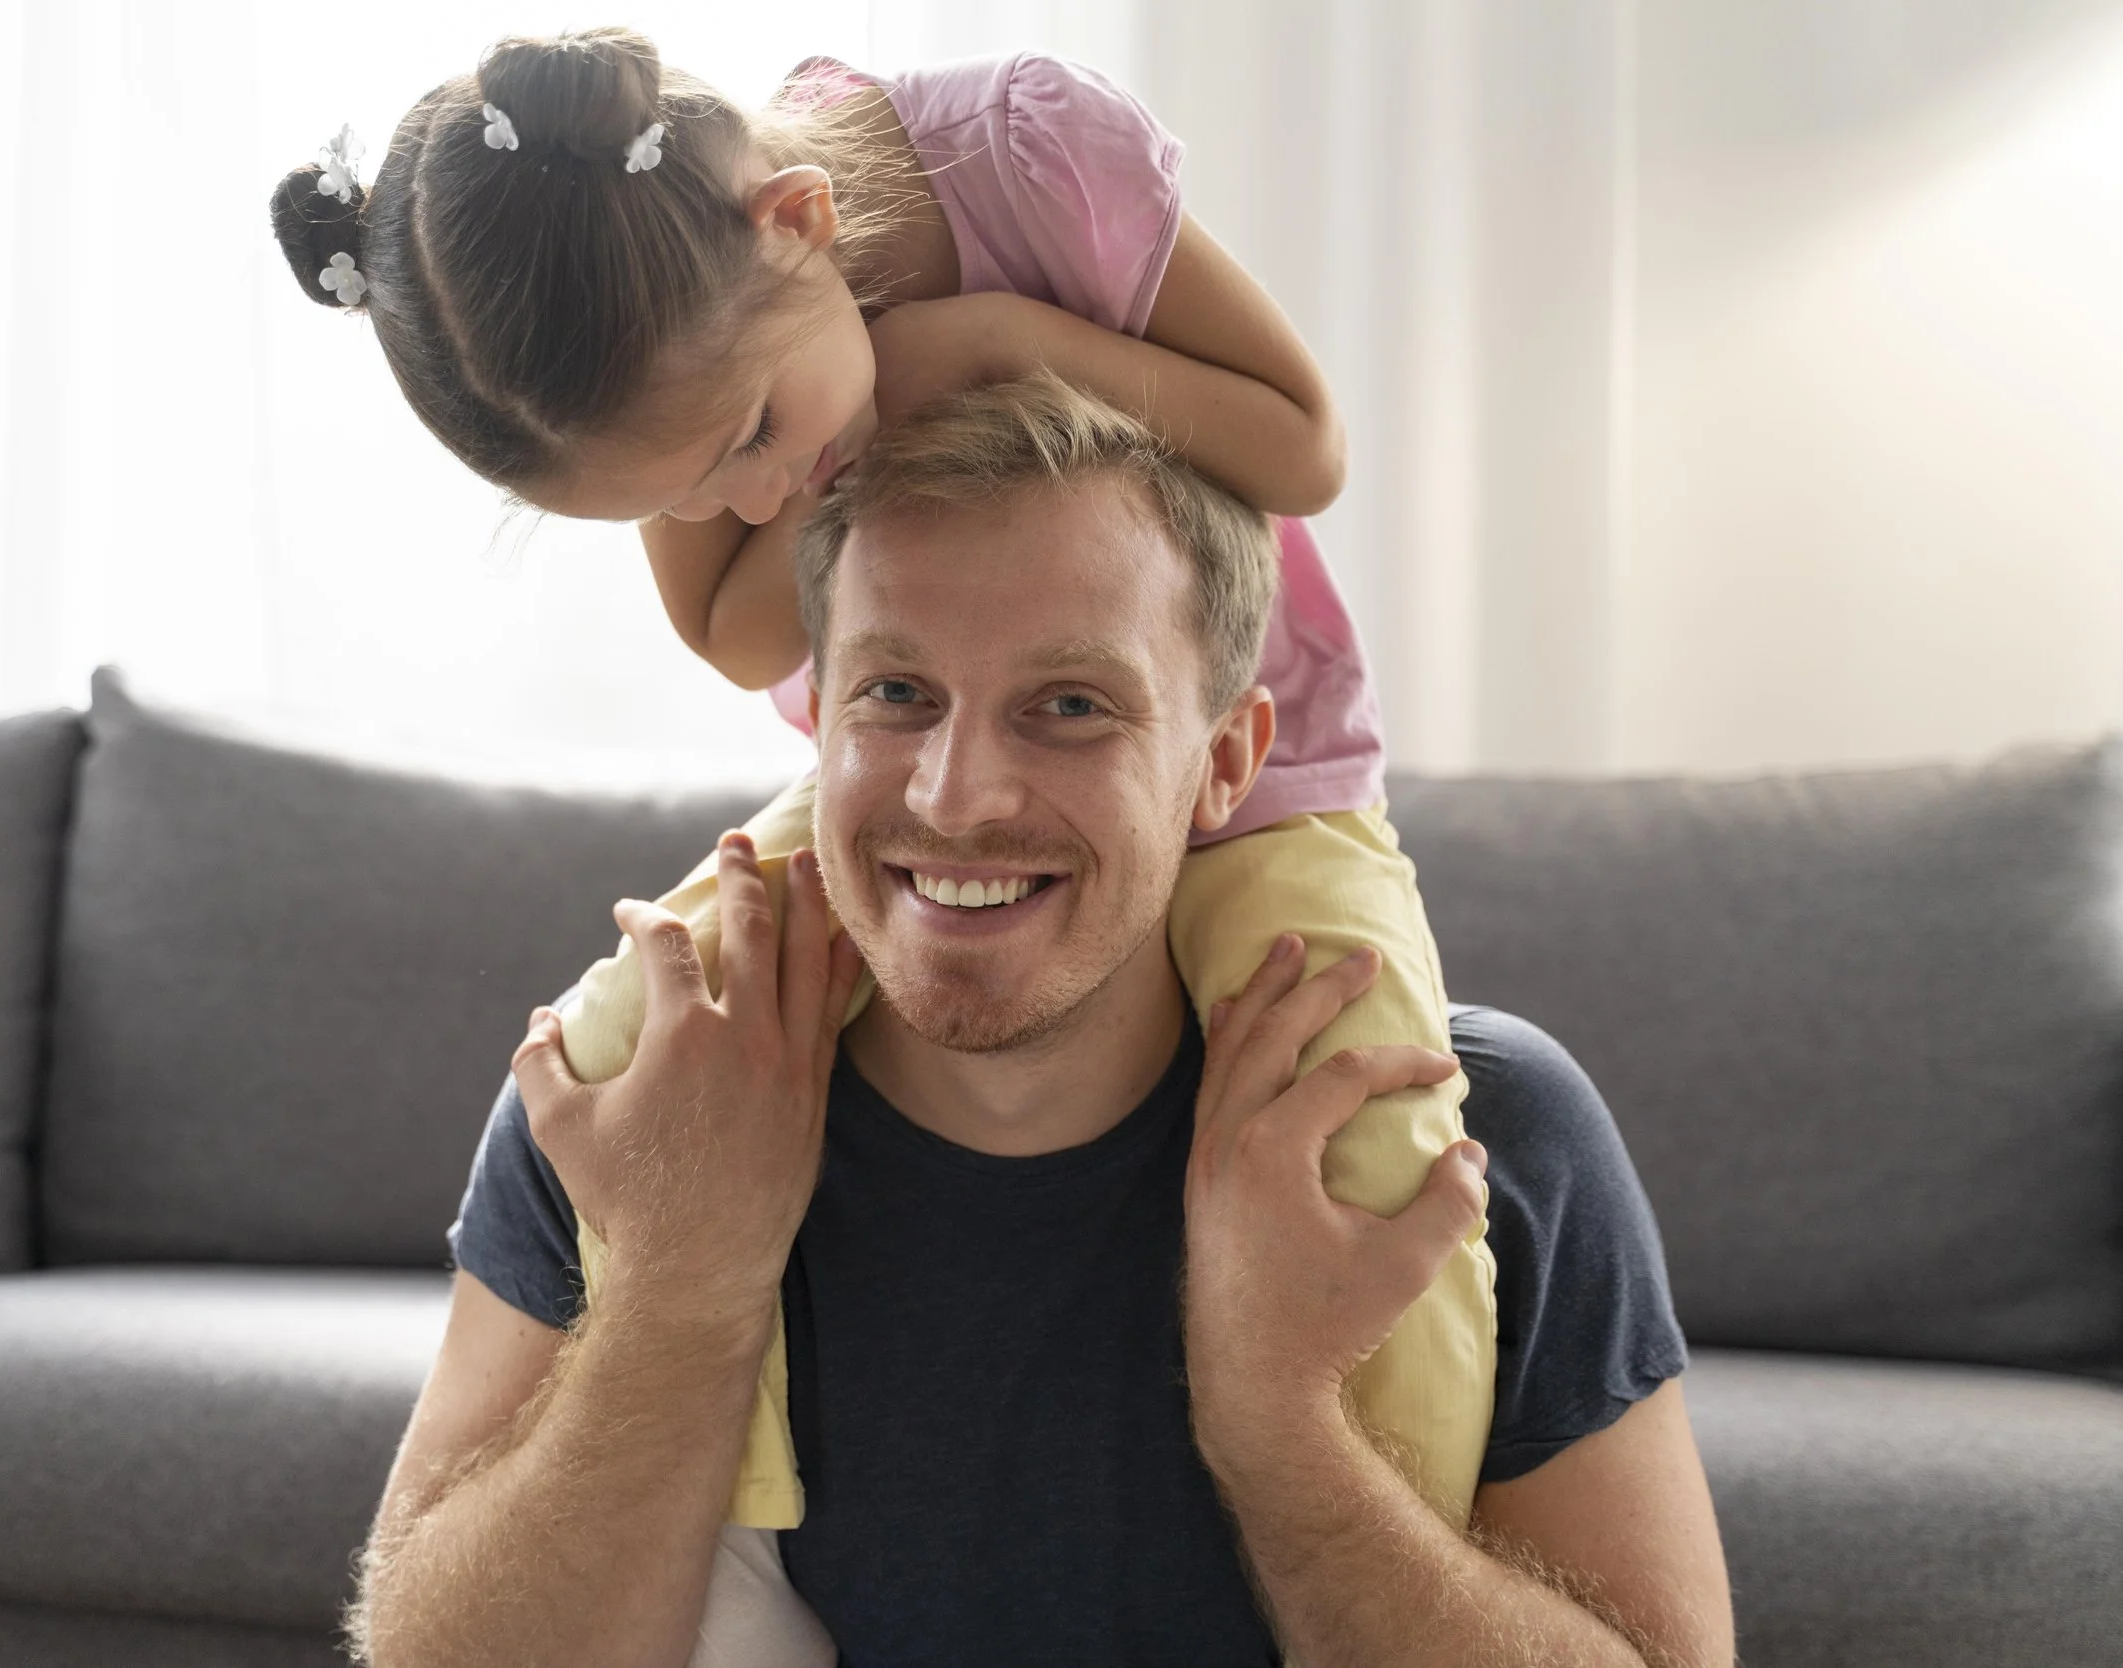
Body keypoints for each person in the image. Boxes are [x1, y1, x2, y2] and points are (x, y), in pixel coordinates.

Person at [271, 30, 1497, 1579]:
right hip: (888, 792)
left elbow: (1299, 444)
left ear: (797, 223)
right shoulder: (680, 375)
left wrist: (993, 347)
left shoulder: (1035, 159)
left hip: (1253, 777)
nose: (750, 505)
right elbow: (737, 632)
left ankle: (1394, 1547)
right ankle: (748, 1530)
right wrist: (763, 470)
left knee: (1375, 1126)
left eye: (745, 448)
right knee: (622, 1043)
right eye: (677, 498)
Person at [348, 375, 1734, 1668]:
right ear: (818, 715)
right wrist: (678, 1290)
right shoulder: (638, 1109)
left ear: (1226, 763)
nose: (960, 796)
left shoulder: (1481, 1136)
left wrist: (1282, 1427)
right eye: (897, 695)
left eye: (1069, 706)